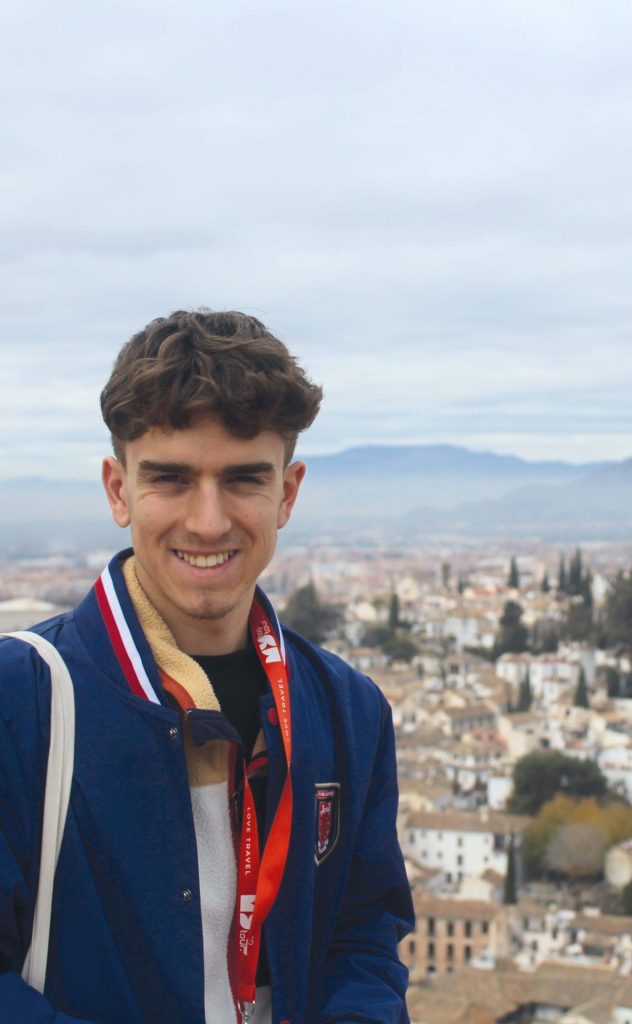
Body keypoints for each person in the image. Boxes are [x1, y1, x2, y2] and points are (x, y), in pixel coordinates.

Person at [0, 310, 414, 1023]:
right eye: (171, 479)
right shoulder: (21, 701)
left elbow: (363, 937)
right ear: (117, 488)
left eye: (244, 480)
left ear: (287, 493)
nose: (209, 521)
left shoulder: (348, 709)